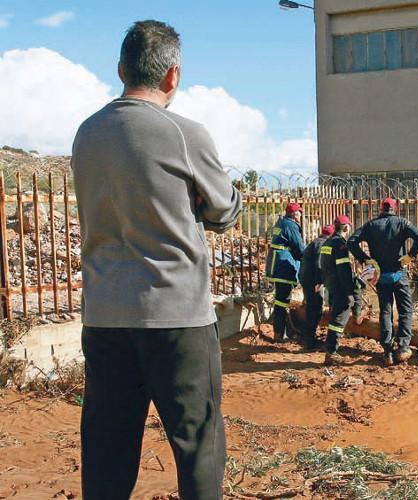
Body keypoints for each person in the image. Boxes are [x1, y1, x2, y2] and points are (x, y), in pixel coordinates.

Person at [70, 20, 242, 499]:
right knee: (198, 443)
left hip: (105, 316)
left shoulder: (87, 133)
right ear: (173, 75)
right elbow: (225, 211)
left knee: (107, 448)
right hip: (176, 317)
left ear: (121, 70)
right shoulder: (183, 133)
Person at [348, 197, 418, 366]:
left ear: (381, 209)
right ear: (394, 209)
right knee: (405, 310)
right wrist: (410, 255)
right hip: (399, 273)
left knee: (385, 311)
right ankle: (403, 347)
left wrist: (366, 259)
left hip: (381, 274)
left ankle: (387, 351)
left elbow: (351, 241)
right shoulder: (402, 223)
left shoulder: (371, 225)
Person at [319, 215, 365, 365]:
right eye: (349, 226)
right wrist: (349, 292)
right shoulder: (340, 244)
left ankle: (330, 350)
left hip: (331, 285)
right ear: (345, 228)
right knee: (338, 320)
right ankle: (331, 352)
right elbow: (344, 270)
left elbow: (323, 266)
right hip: (340, 287)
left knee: (335, 317)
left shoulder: (327, 242)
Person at [266, 203, 306, 342]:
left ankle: (281, 332)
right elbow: (299, 248)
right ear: (295, 214)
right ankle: (279, 335)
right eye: (299, 212)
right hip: (284, 266)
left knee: (280, 301)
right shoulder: (291, 225)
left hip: (277, 265)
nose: (301, 215)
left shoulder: (281, 223)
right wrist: (309, 259)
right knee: (282, 301)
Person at [298, 224, 335, 350]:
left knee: (312, 306)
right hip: (312, 281)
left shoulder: (316, 242)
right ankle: (309, 340)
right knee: (315, 308)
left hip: (307, 278)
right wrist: (319, 282)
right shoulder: (322, 244)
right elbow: (320, 264)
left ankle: (308, 337)